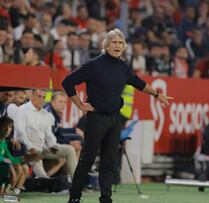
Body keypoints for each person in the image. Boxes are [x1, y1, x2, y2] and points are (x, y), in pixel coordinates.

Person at [62, 28, 173, 203]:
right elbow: (67, 81)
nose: (117, 45)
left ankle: (106, 199)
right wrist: (80, 104)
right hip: (97, 118)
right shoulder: (94, 65)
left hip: (115, 120)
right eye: (114, 42)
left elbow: (138, 83)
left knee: (109, 162)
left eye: (121, 43)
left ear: (124, 47)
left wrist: (157, 94)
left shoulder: (123, 67)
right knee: (87, 160)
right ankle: (75, 197)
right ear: (106, 45)